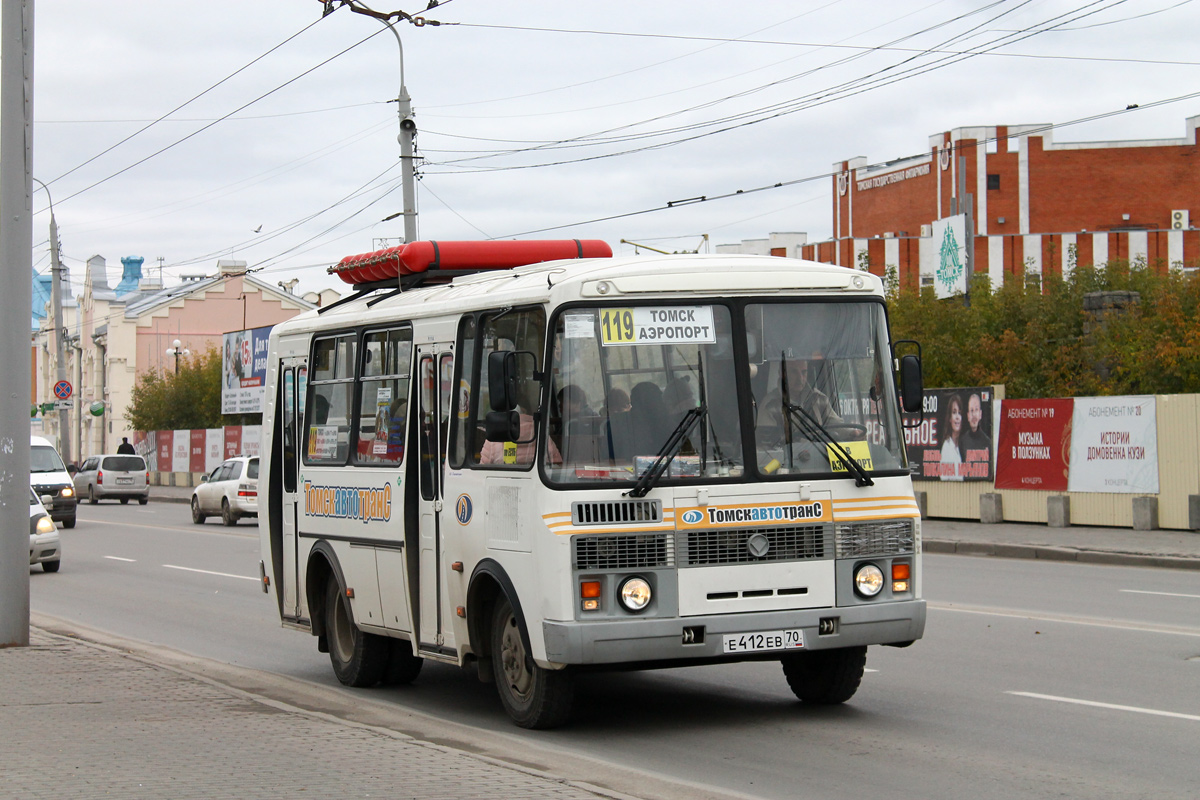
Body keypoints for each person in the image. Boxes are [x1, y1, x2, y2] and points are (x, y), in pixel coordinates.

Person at [939, 394, 965, 481]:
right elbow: (944, 479)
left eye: (959, 413)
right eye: (954, 412)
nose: (957, 417)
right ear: (950, 418)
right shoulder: (947, 447)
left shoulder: (960, 446)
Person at [960, 392, 990, 464]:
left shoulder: (987, 442)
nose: (973, 415)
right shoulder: (962, 442)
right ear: (968, 416)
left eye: (976, 410)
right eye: (971, 410)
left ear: (980, 414)